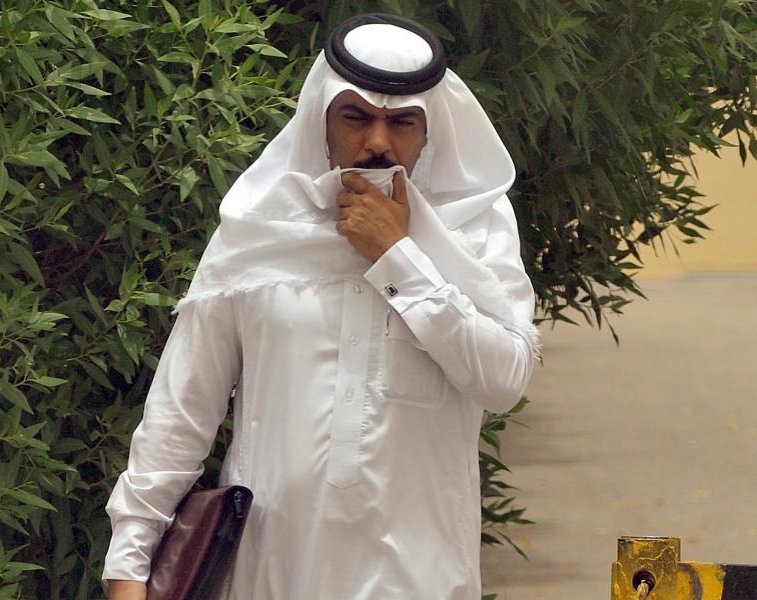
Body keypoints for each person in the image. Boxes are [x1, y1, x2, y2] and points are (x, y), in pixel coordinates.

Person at [103, 14, 537, 600]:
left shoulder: (475, 232)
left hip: (421, 580)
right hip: (268, 576)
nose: (378, 142)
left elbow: (505, 379)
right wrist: (129, 561)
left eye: (401, 121)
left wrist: (399, 259)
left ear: (430, 131)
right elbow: (183, 410)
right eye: (356, 116)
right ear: (321, 119)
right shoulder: (259, 230)